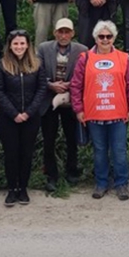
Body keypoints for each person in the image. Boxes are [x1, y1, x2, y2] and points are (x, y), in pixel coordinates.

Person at [70, 21, 129, 201]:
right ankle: (101, 183)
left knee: (119, 151)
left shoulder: (123, 58)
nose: (105, 40)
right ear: (96, 38)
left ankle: (121, 184)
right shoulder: (85, 58)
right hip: (94, 114)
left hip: (118, 114)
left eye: (109, 36)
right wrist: (78, 109)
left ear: (114, 38)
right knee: (99, 151)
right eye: (101, 36)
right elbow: (76, 86)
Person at [0, 30, 46, 207]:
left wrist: (28, 112)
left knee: (26, 153)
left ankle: (23, 188)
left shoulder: (37, 64)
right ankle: (11, 189)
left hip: (31, 117)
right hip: (8, 118)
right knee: (11, 154)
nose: (19, 47)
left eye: (22, 43)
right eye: (15, 43)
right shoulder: (1, 65)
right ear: (9, 46)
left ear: (28, 45)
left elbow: (41, 89)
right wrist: (14, 113)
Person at [37, 18, 88, 192]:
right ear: (55, 33)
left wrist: (70, 85)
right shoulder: (43, 48)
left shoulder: (82, 50)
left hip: (71, 99)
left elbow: (85, 74)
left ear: (72, 33)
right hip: (49, 99)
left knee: (71, 138)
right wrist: (51, 84)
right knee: (48, 139)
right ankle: (51, 175)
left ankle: (72, 170)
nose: (64, 35)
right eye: (61, 32)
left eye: (67, 32)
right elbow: (37, 72)